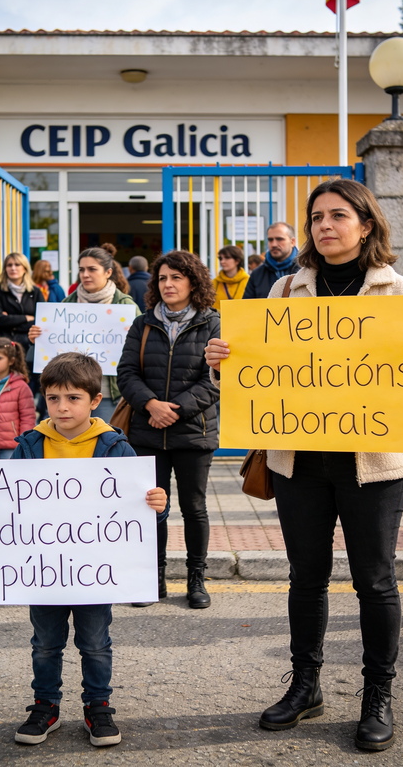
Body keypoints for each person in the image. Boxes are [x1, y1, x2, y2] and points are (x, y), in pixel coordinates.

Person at [205, 178, 403, 751]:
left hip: (375, 463)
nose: (324, 225)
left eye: (338, 215)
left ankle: (377, 695)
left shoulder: (399, 293)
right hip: (301, 461)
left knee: (375, 580)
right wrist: (223, 365)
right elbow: (254, 373)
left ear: (366, 225)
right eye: (316, 216)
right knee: (306, 577)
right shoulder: (286, 290)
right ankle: (306, 686)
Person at [0, 352, 168, 748]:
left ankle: (98, 707)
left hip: (93, 572)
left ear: (94, 401)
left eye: (72, 398)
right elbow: (5, 504)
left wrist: (157, 505)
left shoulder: (115, 448)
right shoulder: (31, 445)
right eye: (53, 398)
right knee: (45, 643)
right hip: (43, 571)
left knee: (96, 643)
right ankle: (45, 706)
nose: (62, 406)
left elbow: (138, 517)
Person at [117, 251, 220, 609]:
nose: (168, 284)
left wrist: (174, 410)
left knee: (194, 508)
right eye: (162, 278)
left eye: (176, 277)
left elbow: (217, 381)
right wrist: (150, 405)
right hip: (147, 432)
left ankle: (196, 579)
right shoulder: (143, 324)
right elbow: (127, 373)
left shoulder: (213, 324)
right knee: (151, 509)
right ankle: (152, 579)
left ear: (193, 282)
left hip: (194, 431)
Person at [29, 247, 140, 423]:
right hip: (70, 391)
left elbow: (142, 350)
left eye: (92, 269)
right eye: (81, 269)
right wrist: (37, 339)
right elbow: (54, 349)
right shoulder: (67, 304)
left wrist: (134, 337)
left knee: (104, 445)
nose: (85, 274)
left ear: (108, 272)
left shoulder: (126, 307)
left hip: (108, 393)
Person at [0, 252, 42, 352]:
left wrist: (11, 323)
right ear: (5, 269)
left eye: (17, 264)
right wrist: (26, 317)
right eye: (9, 265)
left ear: (24, 268)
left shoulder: (35, 292)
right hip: (5, 346)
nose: (13, 268)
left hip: (31, 346)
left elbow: (41, 321)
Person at [242, 222, 298, 299]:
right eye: (270, 240)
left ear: (292, 242)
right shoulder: (257, 275)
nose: (274, 244)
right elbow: (247, 307)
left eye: (279, 239)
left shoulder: (308, 270)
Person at [212, 244, 249, 309]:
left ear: (237, 261)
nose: (222, 261)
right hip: (218, 318)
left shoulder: (248, 281)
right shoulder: (215, 282)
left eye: (227, 258)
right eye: (220, 258)